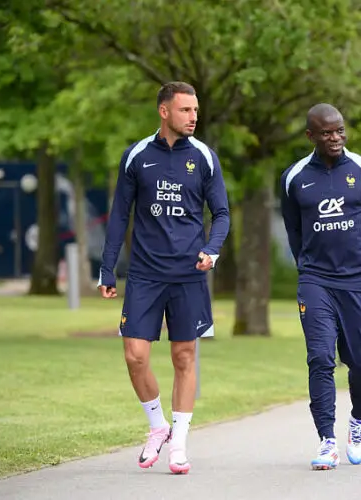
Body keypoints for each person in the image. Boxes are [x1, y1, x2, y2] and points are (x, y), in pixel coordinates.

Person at [97, 81, 230, 475]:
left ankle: (180, 445)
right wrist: (108, 268)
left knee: (183, 356)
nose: (193, 117)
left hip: (189, 275)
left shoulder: (205, 157)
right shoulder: (136, 156)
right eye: (185, 110)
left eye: (195, 110)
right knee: (135, 355)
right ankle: (158, 427)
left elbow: (221, 213)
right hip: (144, 274)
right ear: (164, 111)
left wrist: (212, 249)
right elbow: (120, 214)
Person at [279, 103, 361, 470]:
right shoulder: (294, 177)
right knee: (321, 358)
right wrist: (309, 266)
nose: (336, 138)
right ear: (310, 135)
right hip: (315, 281)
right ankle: (326, 440)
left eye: (340, 130)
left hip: (357, 281)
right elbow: (294, 230)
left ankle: (357, 421)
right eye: (327, 133)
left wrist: (356, 253)